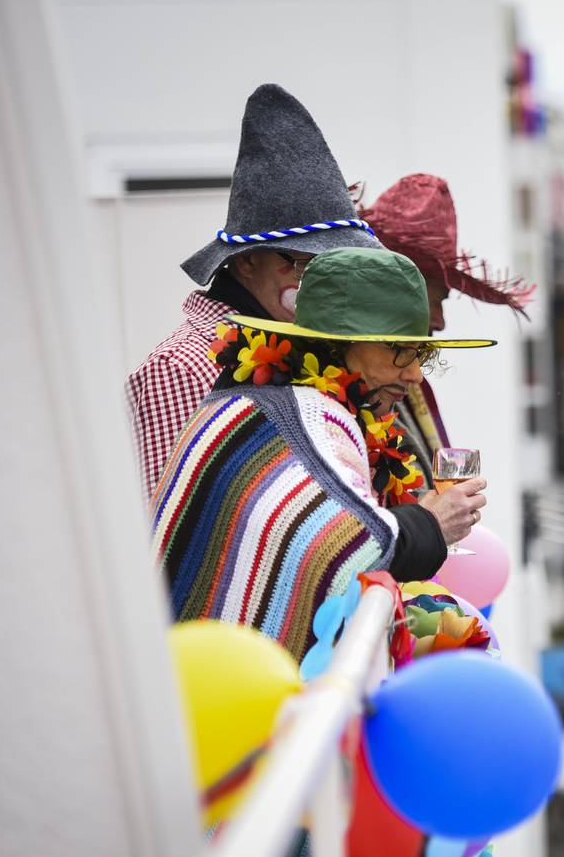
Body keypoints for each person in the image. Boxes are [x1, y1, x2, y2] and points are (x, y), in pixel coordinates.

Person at [151, 246, 495, 664]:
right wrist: (433, 523)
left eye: (420, 353)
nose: (414, 373)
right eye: (399, 350)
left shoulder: (263, 405)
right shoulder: (304, 414)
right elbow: (354, 545)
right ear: (338, 346)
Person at [125, 83, 380, 502]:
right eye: (306, 263)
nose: (325, 283)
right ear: (245, 262)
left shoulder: (305, 355)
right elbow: (162, 538)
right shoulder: (180, 368)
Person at [358, 173, 534, 482]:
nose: (440, 321)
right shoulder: (333, 405)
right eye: (436, 299)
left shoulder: (411, 390)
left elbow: (439, 490)